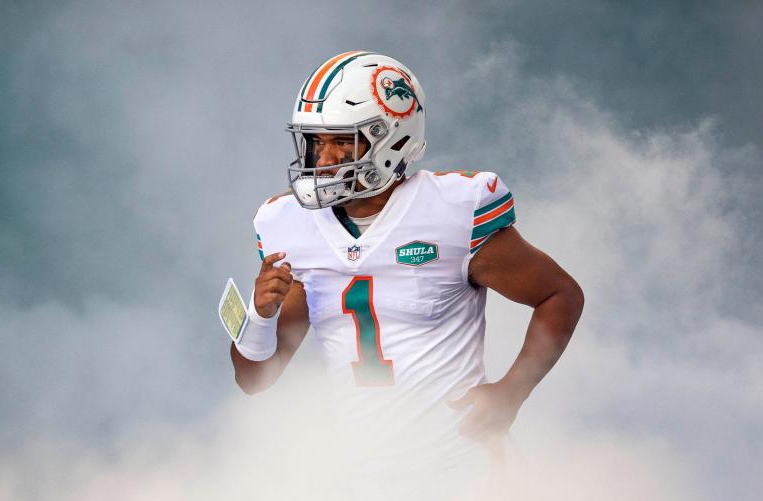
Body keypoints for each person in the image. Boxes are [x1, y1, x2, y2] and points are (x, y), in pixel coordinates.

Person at [229, 51, 583, 478]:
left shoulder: (452, 210)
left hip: (462, 465)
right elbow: (255, 381)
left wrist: (512, 392)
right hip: (366, 477)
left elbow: (559, 294)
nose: (323, 161)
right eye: (315, 142)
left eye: (343, 141)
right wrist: (260, 315)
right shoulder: (288, 227)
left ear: (391, 138)